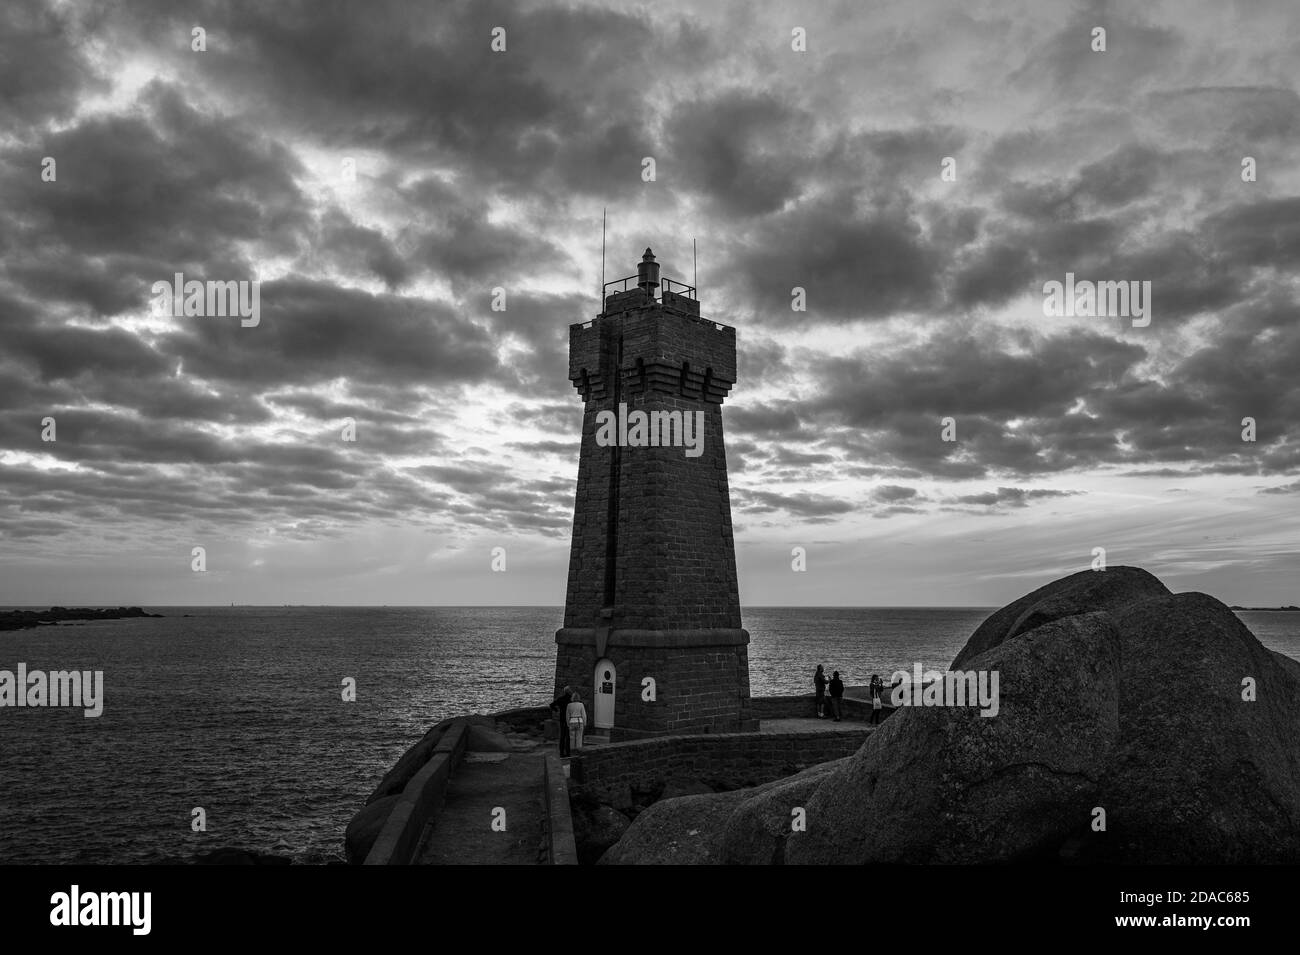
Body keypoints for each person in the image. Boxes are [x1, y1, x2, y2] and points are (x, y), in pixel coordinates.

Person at [549, 685, 573, 756]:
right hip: (570, 719)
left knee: (562, 736)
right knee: (568, 736)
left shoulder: (560, 699)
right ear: (570, 691)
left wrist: (556, 710)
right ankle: (568, 752)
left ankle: (561, 752)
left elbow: (551, 705)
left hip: (562, 718)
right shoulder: (571, 700)